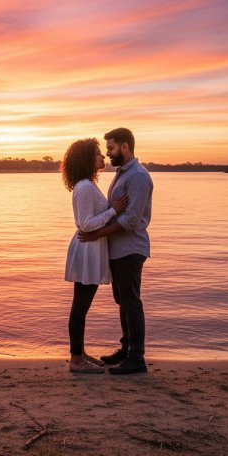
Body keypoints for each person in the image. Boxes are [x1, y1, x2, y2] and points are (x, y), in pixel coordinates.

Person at [78, 128, 152, 375]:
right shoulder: (122, 175)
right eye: (106, 149)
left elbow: (131, 220)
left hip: (131, 249)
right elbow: (113, 210)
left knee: (131, 302)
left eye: (110, 148)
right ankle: (126, 349)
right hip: (117, 250)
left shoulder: (138, 177)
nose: (108, 153)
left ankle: (136, 357)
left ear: (125, 147)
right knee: (122, 301)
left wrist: (95, 235)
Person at [62, 138, 128, 373]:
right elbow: (85, 224)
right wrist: (114, 211)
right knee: (80, 306)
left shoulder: (87, 185)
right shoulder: (84, 187)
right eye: (98, 154)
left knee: (81, 305)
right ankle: (76, 360)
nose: (102, 157)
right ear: (87, 159)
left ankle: (79, 353)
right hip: (87, 249)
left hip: (91, 248)